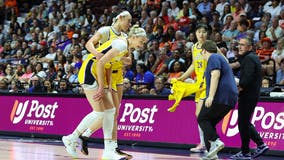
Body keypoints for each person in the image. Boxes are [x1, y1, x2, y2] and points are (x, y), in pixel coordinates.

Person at [62, 25, 148, 160]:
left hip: (97, 72)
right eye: (142, 41)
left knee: (110, 111)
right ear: (134, 37)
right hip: (90, 71)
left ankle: (108, 150)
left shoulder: (124, 45)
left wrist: (105, 85)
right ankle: (71, 138)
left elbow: (108, 64)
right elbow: (101, 62)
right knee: (99, 112)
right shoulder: (121, 45)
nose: (142, 45)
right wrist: (102, 87)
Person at [75, 10, 133, 158]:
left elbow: (129, 60)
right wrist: (99, 55)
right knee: (108, 113)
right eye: (128, 21)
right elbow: (89, 44)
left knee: (115, 114)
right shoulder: (106, 31)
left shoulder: (125, 38)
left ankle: (112, 146)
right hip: (104, 73)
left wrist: (116, 58)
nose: (130, 24)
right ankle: (89, 137)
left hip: (118, 76)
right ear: (120, 18)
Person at [197, 40, 238, 160]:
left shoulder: (213, 57)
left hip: (221, 96)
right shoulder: (220, 58)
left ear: (204, 51)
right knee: (209, 123)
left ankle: (216, 141)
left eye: (202, 52)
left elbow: (215, 75)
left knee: (202, 118)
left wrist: (210, 96)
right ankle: (212, 154)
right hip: (230, 98)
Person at [230, 37, 269, 160]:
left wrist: (239, 89)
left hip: (248, 95)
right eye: (239, 45)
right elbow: (237, 64)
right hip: (250, 94)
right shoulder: (249, 57)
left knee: (243, 123)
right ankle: (260, 145)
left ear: (250, 47)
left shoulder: (249, 58)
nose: (240, 47)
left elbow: (247, 77)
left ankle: (246, 152)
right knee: (244, 122)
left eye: (243, 45)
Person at [174, 24, 209, 153]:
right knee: (199, 114)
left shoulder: (211, 47)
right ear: (195, 33)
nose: (201, 34)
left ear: (207, 34)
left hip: (210, 83)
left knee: (203, 115)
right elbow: (194, 65)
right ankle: (204, 143)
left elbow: (222, 61)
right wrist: (182, 78)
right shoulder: (194, 47)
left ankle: (208, 143)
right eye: (199, 31)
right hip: (199, 85)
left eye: (204, 32)